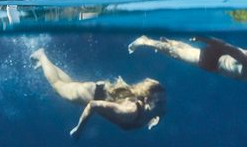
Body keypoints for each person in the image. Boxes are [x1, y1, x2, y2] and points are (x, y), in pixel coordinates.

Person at [30, 48, 166, 139]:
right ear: (147, 100)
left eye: (163, 102)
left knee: (68, 84)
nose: (163, 107)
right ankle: (42, 56)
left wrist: (153, 120)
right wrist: (79, 129)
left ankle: (48, 65)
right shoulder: (128, 111)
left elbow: (158, 113)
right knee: (58, 86)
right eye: (160, 103)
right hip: (92, 94)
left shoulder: (154, 112)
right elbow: (93, 105)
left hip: (99, 89)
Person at [128, 35, 247, 81]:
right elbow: (226, 47)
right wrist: (204, 39)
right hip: (214, 61)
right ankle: (146, 41)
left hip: (218, 62)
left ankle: (168, 42)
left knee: (184, 52)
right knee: (177, 55)